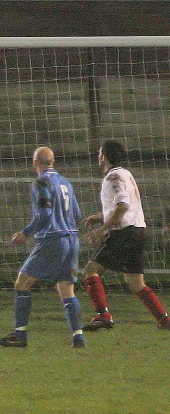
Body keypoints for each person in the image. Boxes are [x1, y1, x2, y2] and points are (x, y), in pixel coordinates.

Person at [0, 147, 84, 348]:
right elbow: (77, 215)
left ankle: (20, 336)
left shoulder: (41, 182)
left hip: (53, 239)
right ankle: (78, 338)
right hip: (72, 239)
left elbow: (44, 215)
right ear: (53, 161)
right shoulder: (66, 183)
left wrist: (25, 233)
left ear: (35, 163)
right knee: (66, 289)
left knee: (22, 283)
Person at [81, 140, 170, 331]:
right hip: (138, 231)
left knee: (90, 270)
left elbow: (123, 206)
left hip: (124, 233)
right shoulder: (125, 174)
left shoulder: (113, 177)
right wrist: (100, 217)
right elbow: (123, 207)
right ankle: (164, 319)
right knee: (136, 283)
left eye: (99, 153)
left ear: (103, 156)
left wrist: (103, 228)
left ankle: (103, 315)